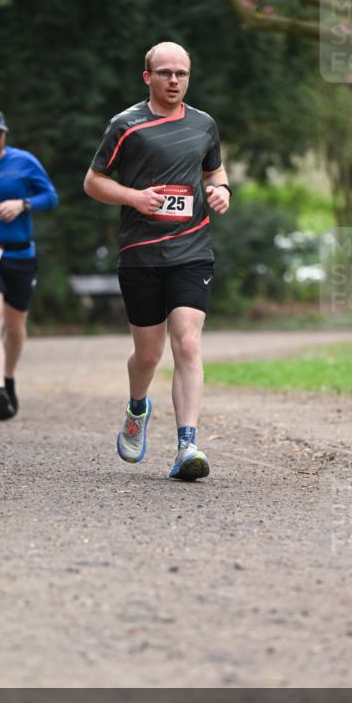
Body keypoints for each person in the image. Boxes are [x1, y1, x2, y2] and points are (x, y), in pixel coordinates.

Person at [84, 41, 231, 482]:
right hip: (140, 255)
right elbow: (93, 182)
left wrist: (222, 190)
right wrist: (135, 197)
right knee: (147, 355)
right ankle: (136, 407)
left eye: (181, 74)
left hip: (192, 251)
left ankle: (188, 445)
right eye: (165, 73)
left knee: (187, 341)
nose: (174, 81)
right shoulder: (126, 125)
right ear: (147, 77)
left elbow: (214, 172)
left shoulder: (204, 125)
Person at [0, 107, 58, 421]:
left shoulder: (24, 162)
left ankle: (7, 376)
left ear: (5, 134)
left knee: (15, 326)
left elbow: (51, 197)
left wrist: (24, 204)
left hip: (20, 254)